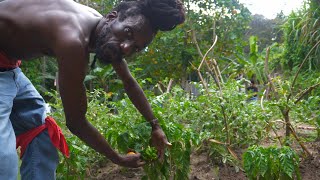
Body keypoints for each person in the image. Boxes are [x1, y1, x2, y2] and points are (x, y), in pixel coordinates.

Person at [0, 0, 185, 179]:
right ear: (112, 17)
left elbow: (129, 82)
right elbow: (76, 122)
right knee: (3, 160)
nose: (127, 48)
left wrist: (155, 126)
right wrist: (118, 158)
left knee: (42, 134)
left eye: (137, 47)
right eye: (128, 33)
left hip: (9, 68)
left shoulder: (104, 30)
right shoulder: (72, 40)